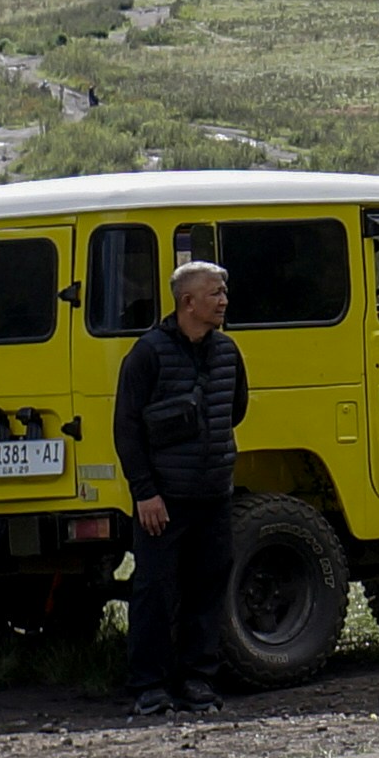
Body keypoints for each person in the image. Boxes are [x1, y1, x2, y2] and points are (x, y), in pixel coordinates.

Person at [115, 257, 243, 716]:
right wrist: (145, 492)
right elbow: (126, 428)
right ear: (188, 302)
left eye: (223, 292)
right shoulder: (147, 354)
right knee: (155, 592)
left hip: (214, 496)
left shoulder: (227, 352)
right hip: (164, 500)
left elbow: (235, 410)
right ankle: (149, 686)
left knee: (207, 590)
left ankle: (197, 680)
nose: (223, 301)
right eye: (215, 294)